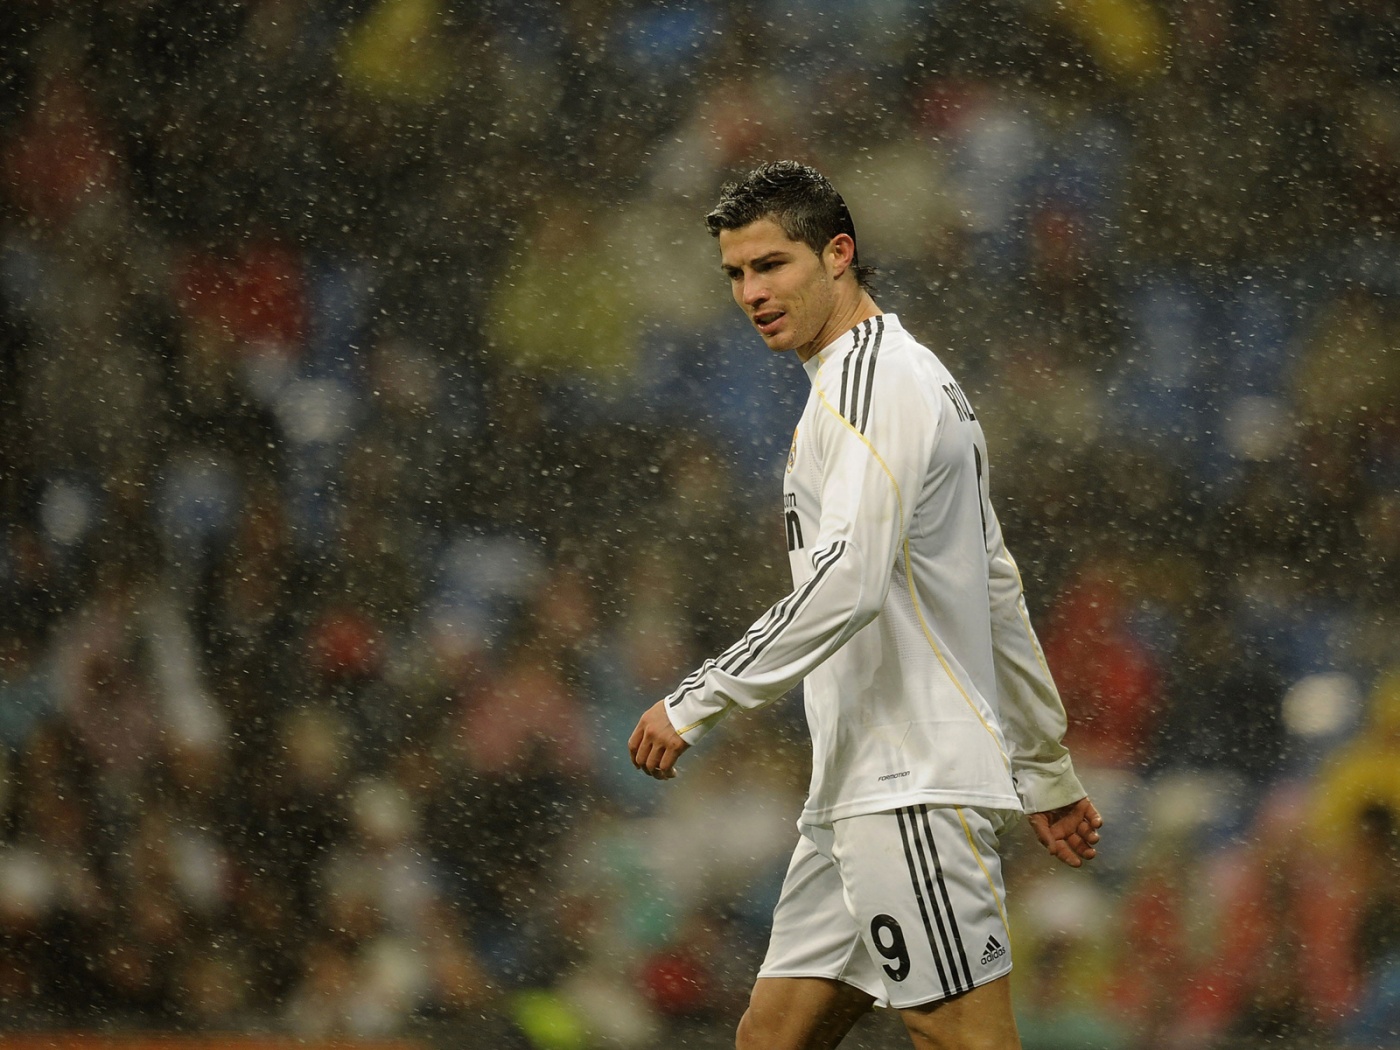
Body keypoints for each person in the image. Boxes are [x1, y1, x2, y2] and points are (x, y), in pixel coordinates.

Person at [628, 160, 1103, 1050]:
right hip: (858, 787)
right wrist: (1042, 765)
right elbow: (995, 587)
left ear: (838, 254)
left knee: (963, 1038)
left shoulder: (871, 384)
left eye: (772, 265)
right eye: (736, 274)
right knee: (771, 1039)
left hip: (907, 784)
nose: (751, 293)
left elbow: (845, 582)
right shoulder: (906, 379)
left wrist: (697, 700)